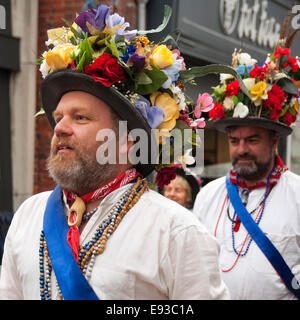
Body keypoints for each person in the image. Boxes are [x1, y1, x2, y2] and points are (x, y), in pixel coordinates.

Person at [0, 5, 229, 300]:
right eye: (59, 117)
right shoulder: (28, 216)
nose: (60, 128)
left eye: (80, 118)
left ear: (127, 141)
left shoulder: (175, 232)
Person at [194, 45, 300, 299]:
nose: (241, 149)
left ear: (274, 141)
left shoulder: (297, 195)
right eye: (234, 141)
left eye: (252, 140)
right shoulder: (207, 195)